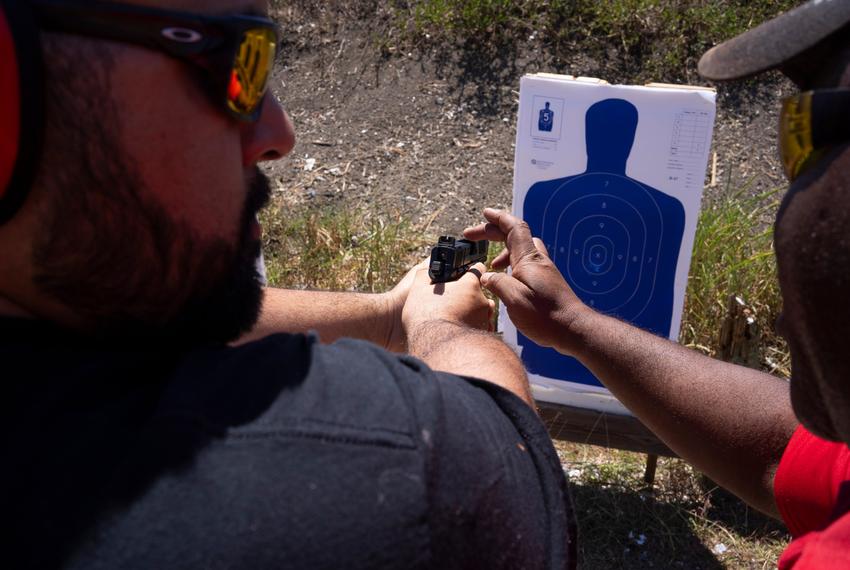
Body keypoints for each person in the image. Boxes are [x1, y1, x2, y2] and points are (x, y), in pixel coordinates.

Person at [0, 0, 575, 568]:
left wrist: (392, 310)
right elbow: (508, 469)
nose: (279, 132)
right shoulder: (395, 462)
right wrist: (444, 330)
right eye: (239, 60)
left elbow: (168, 310)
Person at [464, 1, 850, 568]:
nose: (782, 323)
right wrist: (573, 324)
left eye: (814, 140)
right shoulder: (662, 207)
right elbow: (785, 453)